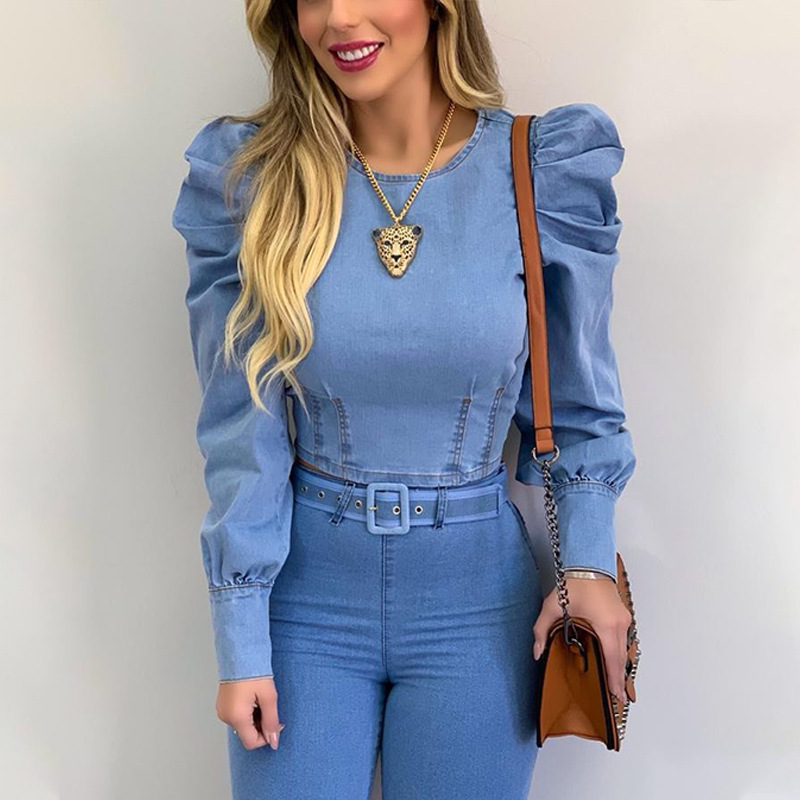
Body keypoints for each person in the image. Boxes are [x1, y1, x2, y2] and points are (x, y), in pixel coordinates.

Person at [171, 1, 636, 797]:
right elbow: (239, 427)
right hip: (305, 606)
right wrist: (240, 635)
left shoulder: (537, 170)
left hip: (478, 609)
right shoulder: (255, 180)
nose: (339, 19)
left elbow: (581, 406)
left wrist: (588, 562)